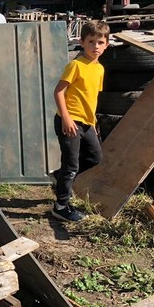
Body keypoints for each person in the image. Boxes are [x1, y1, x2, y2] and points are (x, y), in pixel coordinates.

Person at [50, 20, 110, 222]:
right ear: (82, 42)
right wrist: (66, 118)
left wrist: (94, 122)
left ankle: (59, 177)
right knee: (71, 164)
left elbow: (91, 97)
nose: (95, 46)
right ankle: (60, 206)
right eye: (91, 42)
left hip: (87, 122)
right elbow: (59, 92)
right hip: (70, 121)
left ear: (107, 45)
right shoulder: (75, 65)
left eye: (100, 42)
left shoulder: (99, 69)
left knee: (95, 157)